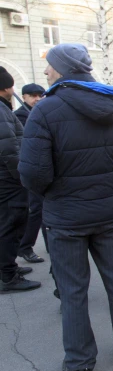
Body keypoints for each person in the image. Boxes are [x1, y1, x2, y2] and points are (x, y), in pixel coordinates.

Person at [18, 44, 113, 371]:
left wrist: (55, 194)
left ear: (61, 69)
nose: (45, 72)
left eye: (49, 67)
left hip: (65, 218)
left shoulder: (45, 111)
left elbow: (32, 174)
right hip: (107, 211)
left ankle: (80, 364)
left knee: (73, 291)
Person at [0, 66, 41, 294]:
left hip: (7, 179)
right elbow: (8, 148)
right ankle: (8, 277)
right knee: (10, 224)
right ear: (5, 87)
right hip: (9, 181)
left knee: (8, 223)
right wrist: (22, 176)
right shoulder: (1, 110)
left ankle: (7, 267)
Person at [13, 83, 47, 264]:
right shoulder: (20, 115)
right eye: (32, 96)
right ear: (24, 97)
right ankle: (25, 247)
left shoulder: (40, 113)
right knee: (36, 209)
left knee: (42, 208)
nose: (37, 99)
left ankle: (48, 245)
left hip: (42, 168)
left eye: (40, 95)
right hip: (29, 169)